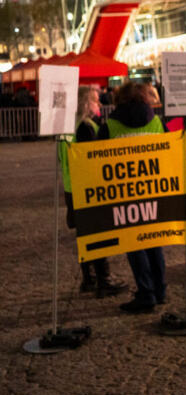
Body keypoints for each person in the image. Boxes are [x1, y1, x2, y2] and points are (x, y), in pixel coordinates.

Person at [97, 81, 168, 314]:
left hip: (125, 195)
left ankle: (146, 293)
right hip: (155, 192)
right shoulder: (157, 123)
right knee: (154, 240)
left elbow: (96, 160)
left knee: (134, 243)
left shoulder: (111, 126)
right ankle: (160, 290)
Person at [61, 86, 128, 298]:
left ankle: (88, 279)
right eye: (95, 101)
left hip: (71, 188)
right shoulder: (86, 127)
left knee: (84, 234)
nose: (98, 105)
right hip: (88, 188)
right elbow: (93, 161)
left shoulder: (67, 127)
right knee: (97, 234)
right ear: (85, 103)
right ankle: (104, 281)